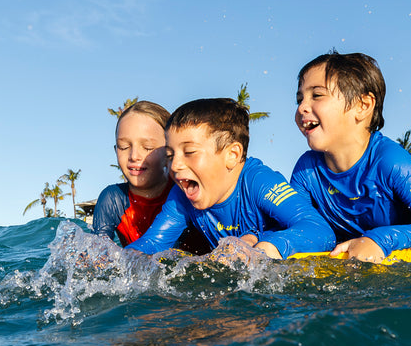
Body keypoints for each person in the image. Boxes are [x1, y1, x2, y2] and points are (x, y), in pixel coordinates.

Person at [291, 51, 411, 263]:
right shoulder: (306, 170)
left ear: (362, 106)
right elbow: (299, 225)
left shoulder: (390, 161)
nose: (302, 107)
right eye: (299, 98)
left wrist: (381, 239)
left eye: (317, 95)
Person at [127, 98, 334, 258]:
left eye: (189, 152)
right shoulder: (182, 195)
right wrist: (118, 259)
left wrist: (265, 247)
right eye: (170, 156)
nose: (175, 165)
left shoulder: (257, 182)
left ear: (232, 155)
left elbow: (319, 230)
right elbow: (153, 243)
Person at [93, 100, 176, 246]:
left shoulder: (182, 193)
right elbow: (98, 255)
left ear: (168, 152)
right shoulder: (113, 200)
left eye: (147, 147)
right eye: (124, 147)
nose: (133, 156)